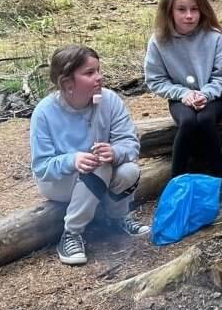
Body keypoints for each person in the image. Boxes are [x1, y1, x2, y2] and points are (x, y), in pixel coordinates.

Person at [30, 45, 149, 266]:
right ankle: (71, 233)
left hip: (98, 174)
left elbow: (130, 144)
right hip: (58, 182)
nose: (99, 78)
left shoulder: (110, 101)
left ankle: (117, 218)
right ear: (67, 84)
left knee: (129, 170)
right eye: (89, 73)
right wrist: (72, 159)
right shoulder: (44, 112)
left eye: (98, 70)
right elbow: (41, 167)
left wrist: (114, 152)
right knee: (99, 167)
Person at [144, 0, 222, 177]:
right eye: (181, 10)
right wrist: (183, 94)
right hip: (180, 98)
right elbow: (155, 79)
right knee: (189, 122)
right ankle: (178, 178)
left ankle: (215, 175)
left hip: (211, 96)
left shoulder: (214, 37)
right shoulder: (158, 40)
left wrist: (204, 94)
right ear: (169, 12)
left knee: (206, 120)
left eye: (194, 9)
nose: (189, 16)